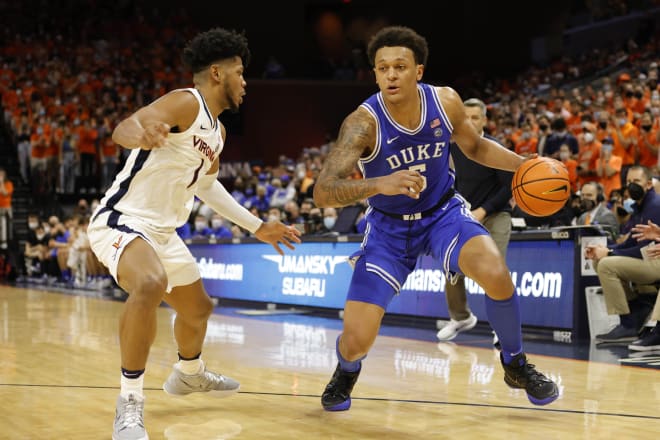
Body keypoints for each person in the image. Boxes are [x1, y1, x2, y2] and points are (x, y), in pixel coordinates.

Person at [313, 26, 558, 412]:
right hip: (388, 231)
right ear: (375, 74)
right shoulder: (363, 123)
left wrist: (524, 164)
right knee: (357, 338)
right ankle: (346, 369)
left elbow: (475, 145)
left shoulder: (445, 102)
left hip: (442, 214)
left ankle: (515, 362)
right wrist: (381, 183)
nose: (391, 75)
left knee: (495, 270)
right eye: (382, 68)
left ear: (419, 72)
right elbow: (323, 191)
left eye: (400, 66)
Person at [87, 28, 301, 440]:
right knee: (150, 284)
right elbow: (126, 127)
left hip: (162, 233)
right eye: (240, 72)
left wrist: (258, 226)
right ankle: (130, 403)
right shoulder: (187, 101)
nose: (245, 82)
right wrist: (142, 133)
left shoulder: (217, 134)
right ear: (218, 73)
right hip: (123, 218)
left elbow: (207, 186)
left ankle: (189, 373)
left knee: (199, 309)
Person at [437, 98, 513, 344]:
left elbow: (508, 188)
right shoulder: (450, 149)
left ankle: (501, 327)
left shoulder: (495, 147)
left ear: (484, 120)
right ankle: (460, 317)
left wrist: (483, 210)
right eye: (465, 117)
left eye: (475, 117)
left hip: (495, 215)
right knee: (451, 267)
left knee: (495, 270)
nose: (469, 122)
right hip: (461, 215)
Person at [584, 166, 660, 343]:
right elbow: (631, 242)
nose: (630, 186)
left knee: (606, 264)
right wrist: (603, 249)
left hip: (655, 260)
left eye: (636, 182)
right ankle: (636, 311)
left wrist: (609, 252)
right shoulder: (640, 206)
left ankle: (627, 323)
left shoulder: (655, 206)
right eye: (628, 182)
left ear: (648, 184)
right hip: (648, 258)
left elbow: (644, 249)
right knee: (600, 260)